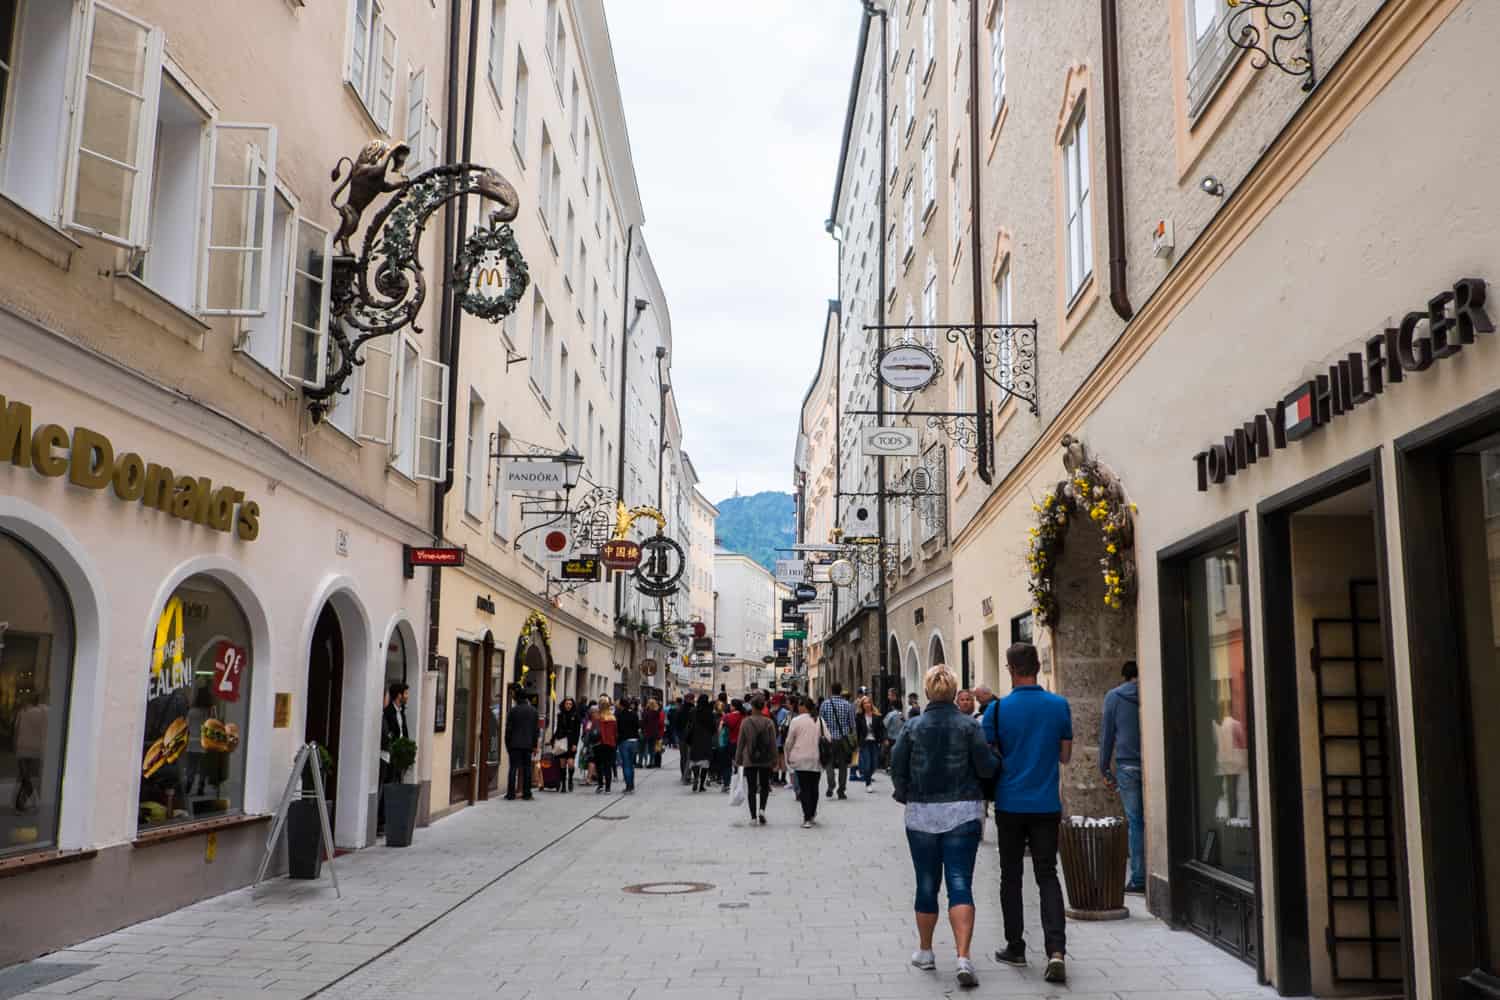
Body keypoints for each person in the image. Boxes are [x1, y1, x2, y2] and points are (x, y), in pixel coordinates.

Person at [892, 665, 998, 990]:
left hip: (921, 814)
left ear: (926, 692)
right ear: (954, 693)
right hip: (963, 812)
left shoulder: (912, 727)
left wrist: (906, 793)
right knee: (960, 883)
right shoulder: (969, 726)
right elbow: (986, 766)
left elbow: (897, 768)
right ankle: (963, 956)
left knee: (926, 883)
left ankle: (926, 952)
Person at [991, 642, 1073, 984]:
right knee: (1047, 875)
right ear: (1038, 666)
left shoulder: (997, 710)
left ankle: (1016, 945)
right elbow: (1065, 756)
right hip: (1045, 804)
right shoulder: (1058, 705)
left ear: (1011, 669)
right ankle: (1055, 950)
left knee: (1011, 876)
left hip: (1010, 803)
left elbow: (991, 757)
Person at [1099, 660, 1143, 893]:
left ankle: (1138, 877)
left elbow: (1107, 735)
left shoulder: (1114, 697)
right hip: (1153, 763)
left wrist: (1104, 768)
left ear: (1125, 676)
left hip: (1127, 765)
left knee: (1135, 822)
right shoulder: (1150, 692)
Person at [783, 697, 829, 827]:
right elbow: (828, 738)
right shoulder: (819, 720)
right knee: (814, 788)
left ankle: (807, 817)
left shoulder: (796, 721)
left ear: (803, 707)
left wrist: (788, 754)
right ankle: (812, 813)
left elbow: (789, 741)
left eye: (799, 705)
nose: (797, 707)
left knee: (804, 788)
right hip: (816, 758)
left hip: (800, 758)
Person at [735, 695, 778, 824]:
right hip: (766, 759)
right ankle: (762, 810)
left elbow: (741, 742)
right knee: (765, 786)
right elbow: (773, 743)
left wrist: (738, 759)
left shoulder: (746, 722)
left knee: (752, 788)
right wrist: (774, 758)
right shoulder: (769, 722)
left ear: (752, 707)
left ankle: (753, 817)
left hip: (750, 758)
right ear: (763, 706)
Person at [378, 683, 409, 828]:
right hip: (388, 756)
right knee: (388, 787)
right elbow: (388, 734)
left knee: (396, 787)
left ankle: (391, 818)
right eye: (406, 693)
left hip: (398, 757)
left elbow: (403, 732)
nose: (407, 696)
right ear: (399, 695)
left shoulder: (401, 712)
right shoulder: (388, 712)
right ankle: (382, 821)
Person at [819, 682, 855, 799]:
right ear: (840, 691)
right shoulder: (847, 705)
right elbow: (852, 724)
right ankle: (841, 790)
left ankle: (831, 785)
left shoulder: (825, 704)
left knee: (829, 762)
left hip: (829, 739)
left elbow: (820, 722)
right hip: (843, 739)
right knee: (843, 765)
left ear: (831, 690)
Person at [504, 685, 540, 801]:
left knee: (513, 768)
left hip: (514, 744)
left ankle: (510, 794)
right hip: (528, 744)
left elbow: (508, 729)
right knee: (527, 769)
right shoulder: (533, 711)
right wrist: (535, 745)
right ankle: (527, 793)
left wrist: (508, 744)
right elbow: (536, 730)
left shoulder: (513, 711)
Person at [854, 696, 885, 793]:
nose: (867, 705)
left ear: (871, 704)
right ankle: (868, 783)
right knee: (867, 764)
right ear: (862, 705)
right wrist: (858, 744)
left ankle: (867, 775)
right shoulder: (859, 717)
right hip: (865, 742)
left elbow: (882, 729)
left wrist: (884, 739)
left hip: (875, 742)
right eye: (865, 703)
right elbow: (857, 732)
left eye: (868, 703)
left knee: (874, 764)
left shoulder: (877, 716)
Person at [688, 693, 718, 792]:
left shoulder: (693, 711)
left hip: (695, 738)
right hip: (706, 738)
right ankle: (701, 785)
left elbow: (689, 724)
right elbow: (714, 727)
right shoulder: (710, 713)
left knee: (695, 760)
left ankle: (696, 777)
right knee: (705, 762)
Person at [553, 696, 582, 792]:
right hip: (562, 740)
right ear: (564, 705)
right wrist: (552, 739)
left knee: (570, 763)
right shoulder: (560, 715)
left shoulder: (576, 716)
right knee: (562, 764)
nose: (568, 706)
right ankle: (563, 784)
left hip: (571, 741)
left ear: (573, 705)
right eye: (567, 704)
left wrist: (575, 744)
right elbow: (558, 729)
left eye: (570, 704)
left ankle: (570, 780)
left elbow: (577, 731)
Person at [594, 696, 619, 794]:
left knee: (599, 765)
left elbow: (593, 731)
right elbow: (616, 733)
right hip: (610, 744)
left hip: (599, 744)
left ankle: (600, 785)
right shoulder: (613, 718)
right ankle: (608, 788)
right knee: (607, 766)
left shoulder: (598, 718)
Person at [719, 699, 745, 793]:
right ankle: (740, 784)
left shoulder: (727, 716)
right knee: (740, 764)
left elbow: (720, 730)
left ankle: (727, 784)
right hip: (742, 743)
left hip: (729, 743)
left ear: (733, 706)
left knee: (727, 764)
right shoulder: (744, 716)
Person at [616, 697, 640, 794]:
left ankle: (628, 786)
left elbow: (618, 729)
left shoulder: (620, 715)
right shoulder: (634, 714)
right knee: (631, 764)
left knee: (626, 765)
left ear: (621, 705)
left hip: (624, 741)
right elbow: (638, 726)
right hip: (634, 741)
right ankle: (632, 785)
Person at [641, 698, 663, 768]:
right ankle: (651, 762)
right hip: (654, 732)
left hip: (647, 732)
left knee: (644, 748)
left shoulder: (646, 712)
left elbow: (643, 722)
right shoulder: (657, 713)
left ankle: (644, 762)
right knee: (652, 749)